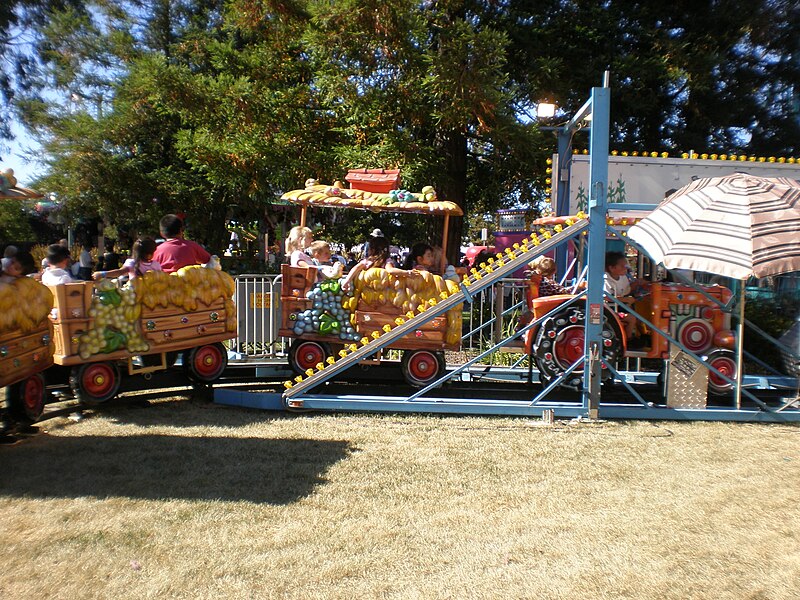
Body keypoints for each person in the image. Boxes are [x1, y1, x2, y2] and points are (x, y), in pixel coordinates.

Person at [342, 235, 417, 292]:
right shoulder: (387, 261)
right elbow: (391, 270)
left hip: (366, 294)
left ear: (372, 250)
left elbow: (356, 268)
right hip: (383, 295)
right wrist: (407, 273)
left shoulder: (367, 261)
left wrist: (347, 280)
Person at [604, 251, 647, 348]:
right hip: (609, 309)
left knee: (639, 316)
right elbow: (606, 297)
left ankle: (644, 336)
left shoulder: (623, 278)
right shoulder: (606, 280)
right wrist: (625, 299)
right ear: (612, 268)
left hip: (620, 306)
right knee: (631, 318)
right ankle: (627, 341)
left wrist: (637, 284)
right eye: (622, 266)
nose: (626, 268)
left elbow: (626, 290)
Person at [94, 237, 161, 280]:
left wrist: (102, 274)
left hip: (134, 298)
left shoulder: (131, 263)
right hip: (152, 298)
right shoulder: (156, 265)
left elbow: (119, 272)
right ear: (150, 254)